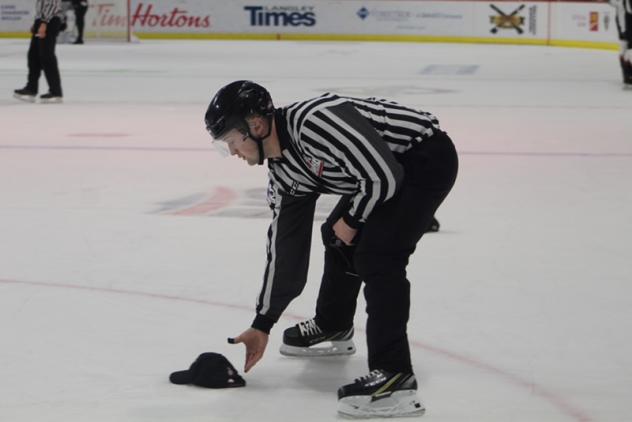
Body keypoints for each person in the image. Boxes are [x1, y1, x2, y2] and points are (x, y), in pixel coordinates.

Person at [205, 81, 458, 418]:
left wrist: (353, 218)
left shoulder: (316, 122)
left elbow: (383, 177)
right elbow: (285, 249)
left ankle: (395, 378)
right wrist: (262, 323)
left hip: (424, 158)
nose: (234, 152)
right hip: (384, 174)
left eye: (232, 142)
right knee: (335, 234)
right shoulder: (284, 173)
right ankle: (334, 324)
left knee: (378, 255)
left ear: (256, 125)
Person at [13, 0, 64, 103]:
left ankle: (55, 92)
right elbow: (42, 5)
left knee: (47, 57)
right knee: (33, 56)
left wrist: (44, 23)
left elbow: (52, 5)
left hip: (49, 21)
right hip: (42, 21)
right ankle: (31, 88)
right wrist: (37, 22)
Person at [612, 0, 632, 86]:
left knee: (624, 49)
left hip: (623, 22)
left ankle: (627, 76)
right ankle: (628, 76)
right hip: (626, 23)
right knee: (627, 48)